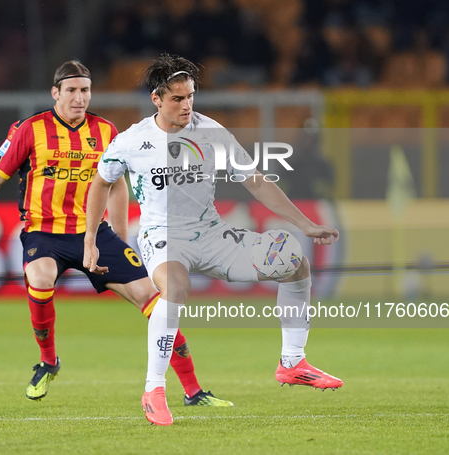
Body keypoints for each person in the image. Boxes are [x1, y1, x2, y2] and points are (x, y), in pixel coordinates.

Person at [83, 54, 343, 426]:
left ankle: (293, 362)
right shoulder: (132, 141)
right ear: (157, 99)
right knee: (175, 285)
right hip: (162, 236)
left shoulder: (211, 132)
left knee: (295, 262)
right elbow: (102, 182)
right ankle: (154, 389)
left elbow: (254, 180)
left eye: (191, 96)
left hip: (211, 233)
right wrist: (92, 239)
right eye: (177, 98)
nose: (187, 105)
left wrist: (304, 224)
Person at [0, 59, 232, 407]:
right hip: (45, 233)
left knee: (155, 300)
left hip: (94, 233)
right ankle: (48, 360)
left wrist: (118, 236)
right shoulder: (30, 129)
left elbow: (117, 185)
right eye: (71, 90)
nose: (79, 98)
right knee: (40, 277)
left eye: (85, 90)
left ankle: (194, 391)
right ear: (55, 93)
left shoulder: (105, 132)